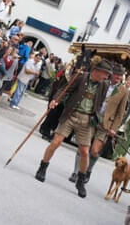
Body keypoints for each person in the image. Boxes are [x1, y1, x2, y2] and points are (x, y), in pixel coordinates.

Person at [35, 59, 112, 198]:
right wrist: (55, 100)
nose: (107, 76)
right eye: (105, 73)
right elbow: (64, 90)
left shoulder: (104, 85)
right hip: (71, 115)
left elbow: (102, 101)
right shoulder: (81, 77)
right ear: (97, 71)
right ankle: (42, 167)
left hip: (87, 120)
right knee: (56, 142)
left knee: (84, 151)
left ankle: (80, 181)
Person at [68, 63, 128, 184]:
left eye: (120, 76)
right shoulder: (102, 83)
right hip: (92, 117)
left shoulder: (123, 91)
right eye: (116, 75)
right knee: (82, 147)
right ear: (112, 74)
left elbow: (120, 113)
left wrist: (114, 128)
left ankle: (88, 171)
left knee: (95, 150)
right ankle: (76, 172)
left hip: (106, 125)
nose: (117, 78)